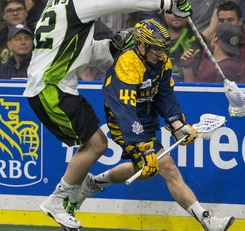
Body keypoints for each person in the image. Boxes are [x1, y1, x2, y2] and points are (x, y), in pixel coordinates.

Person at [23, 0, 192, 230]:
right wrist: (166, 2)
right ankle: (57, 200)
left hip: (52, 86)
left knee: (96, 143)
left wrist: (111, 48)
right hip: (51, 88)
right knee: (96, 144)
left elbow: (80, 51)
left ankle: (66, 199)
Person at [71, 19, 235, 231]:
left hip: (145, 115)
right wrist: (143, 146)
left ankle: (94, 183)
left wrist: (177, 124)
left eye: (163, 48)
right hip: (122, 120)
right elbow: (125, 111)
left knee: (146, 168)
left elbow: (165, 96)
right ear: (141, 46)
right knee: (167, 167)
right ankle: (208, 222)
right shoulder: (127, 64)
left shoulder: (162, 61)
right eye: (156, 49)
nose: (161, 54)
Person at [164, 12, 202, 82]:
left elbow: (194, 86)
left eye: (181, 11)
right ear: (163, 14)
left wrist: (187, 65)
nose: (177, 15)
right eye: (171, 12)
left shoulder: (197, 39)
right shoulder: (154, 38)